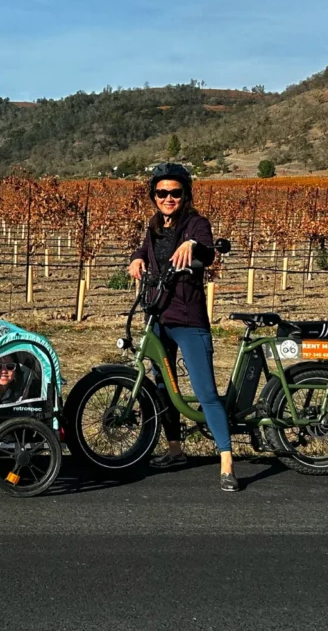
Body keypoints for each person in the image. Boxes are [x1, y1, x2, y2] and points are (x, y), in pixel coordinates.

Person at [128, 162, 238, 493]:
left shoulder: (196, 223)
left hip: (188, 320)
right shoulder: (154, 226)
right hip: (157, 316)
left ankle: (227, 463)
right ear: (154, 196)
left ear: (184, 194)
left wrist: (194, 246)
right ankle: (175, 450)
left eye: (175, 192)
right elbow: (146, 249)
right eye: (162, 192)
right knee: (164, 388)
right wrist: (135, 257)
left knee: (205, 392)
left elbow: (206, 248)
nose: (168, 198)